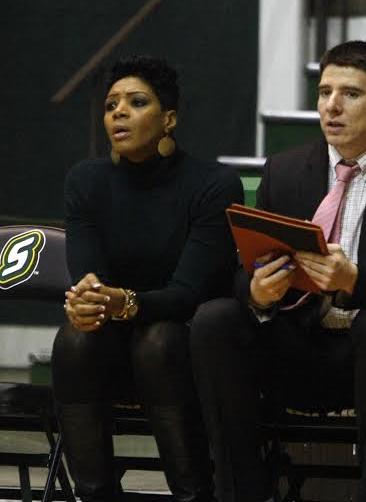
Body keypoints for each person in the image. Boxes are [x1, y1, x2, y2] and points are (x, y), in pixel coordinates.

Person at [189, 41, 366, 502]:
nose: (331, 106)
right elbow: (243, 271)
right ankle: (239, 492)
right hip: (297, 337)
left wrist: (353, 280)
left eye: (351, 94)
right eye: (324, 92)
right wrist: (258, 292)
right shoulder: (286, 169)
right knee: (216, 318)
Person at [53, 55, 243, 502]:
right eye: (110, 105)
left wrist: (125, 303)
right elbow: (88, 276)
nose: (118, 112)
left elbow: (188, 293)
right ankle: (95, 495)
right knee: (74, 339)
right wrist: (88, 300)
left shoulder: (214, 184)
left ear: (169, 119)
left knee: (157, 340)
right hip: (113, 339)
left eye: (136, 102)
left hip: (189, 338)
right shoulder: (86, 180)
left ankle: (193, 494)